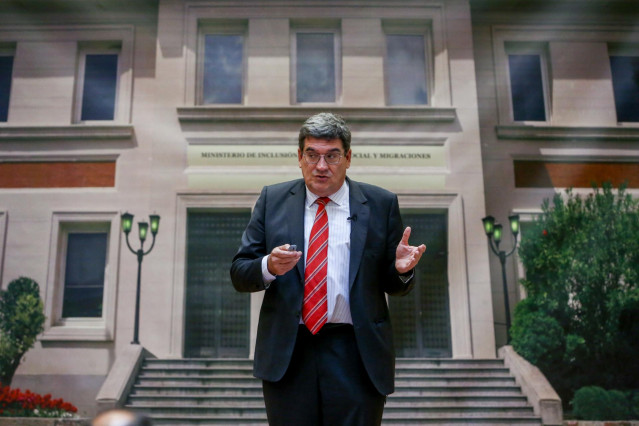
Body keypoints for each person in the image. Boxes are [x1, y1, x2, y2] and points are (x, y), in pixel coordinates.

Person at [230, 112, 426, 425]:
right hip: (290, 352)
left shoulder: (380, 203)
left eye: (332, 155)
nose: (322, 166)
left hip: (356, 353)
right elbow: (240, 273)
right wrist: (268, 266)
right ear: (299, 157)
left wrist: (401, 270)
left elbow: (393, 285)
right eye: (312, 155)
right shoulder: (273, 199)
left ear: (348, 158)